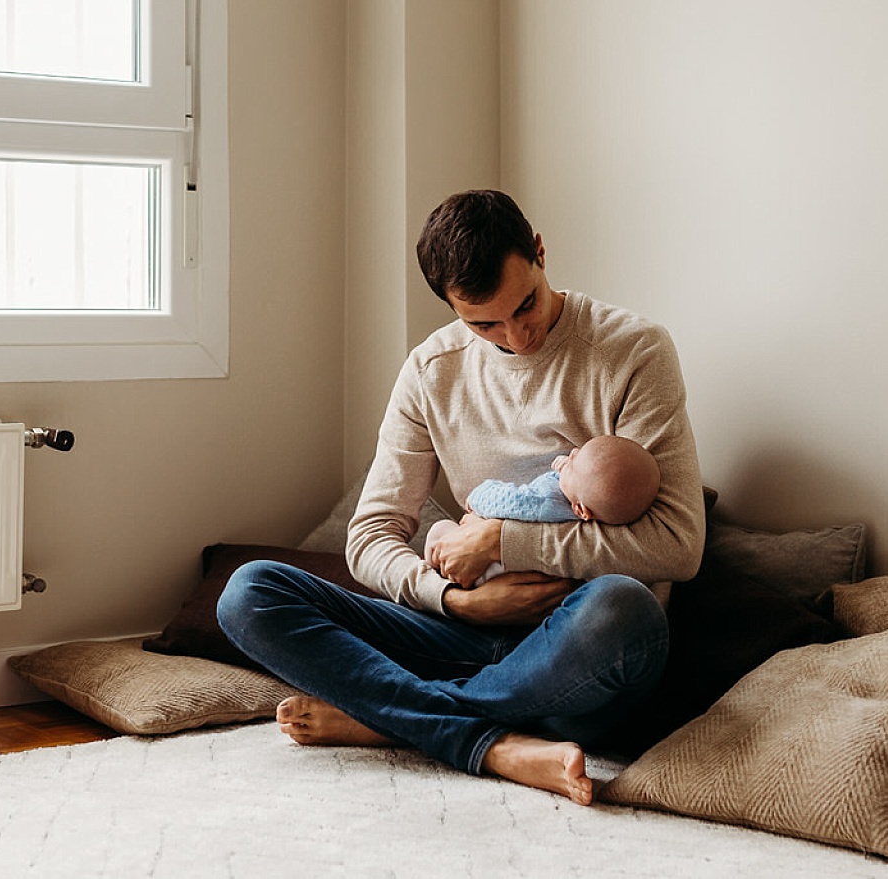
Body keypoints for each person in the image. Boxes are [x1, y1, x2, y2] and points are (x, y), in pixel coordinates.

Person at [217, 190, 704, 804]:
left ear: (540, 252)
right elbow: (370, 537)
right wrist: (452, 601)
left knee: (625, 611)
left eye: (525, 305)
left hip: (573, 650)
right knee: (250, 593)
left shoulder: (634, 351)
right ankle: (493, 742)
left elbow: (679, 546)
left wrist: (503, 539)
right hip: (453, 634)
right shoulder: (431, 371)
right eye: (484, 323)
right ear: (452, 307)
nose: (517, 336)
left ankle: (390, 716)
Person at [424, 435, 661, 585]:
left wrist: (477, 496)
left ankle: (435, 574)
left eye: (574, 464)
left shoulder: (548, 500)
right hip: (542, 586)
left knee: (440, 530)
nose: (573, 453)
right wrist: (570, 469)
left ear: (580, 509)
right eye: (578, 452)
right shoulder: (598, 515)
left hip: (495, 573)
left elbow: (507, 501)